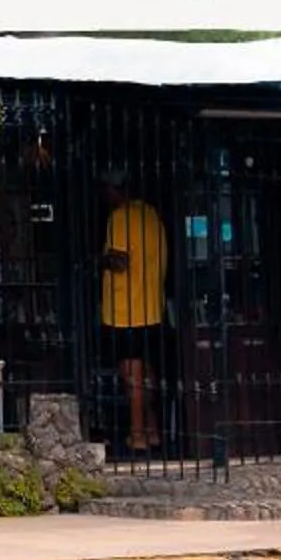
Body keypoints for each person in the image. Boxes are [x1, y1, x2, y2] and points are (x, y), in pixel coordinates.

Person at [99, 178, 166, 452]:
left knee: (132, 377)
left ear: (116, 190)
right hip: (153, 308)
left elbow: (120, 261)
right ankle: (153, 431)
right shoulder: (152, 216)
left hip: (126, 311)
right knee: (147, 375)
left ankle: (136, 434)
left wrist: (99, 259)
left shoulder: (119, 218)